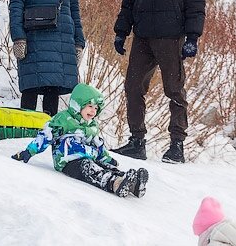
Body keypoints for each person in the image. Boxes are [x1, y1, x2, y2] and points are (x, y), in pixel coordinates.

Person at [111, 0, 205, 164]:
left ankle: (177, 145)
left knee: (174, 89)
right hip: (143, 37)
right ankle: (136, 141)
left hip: (171, 37)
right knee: (132, 87)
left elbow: (196, 2)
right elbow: (128, 1)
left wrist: (192, 37)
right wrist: (121, 32)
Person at [11, 83, 149, 199]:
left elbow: (98, 145)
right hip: (68, 161)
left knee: (103, 165)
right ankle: (116, 184)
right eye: (90, 106)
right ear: (78, 104)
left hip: (89, 156)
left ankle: (132, 183)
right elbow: (47, 135)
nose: (93, 111)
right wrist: (29, 151)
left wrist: (107, 160)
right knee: (90, 169)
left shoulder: (92, 125)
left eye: (96, 108)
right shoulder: (64, 120)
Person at [8, 0, 85, 117]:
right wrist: (18, 37)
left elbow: (74, 10)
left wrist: (79, 42)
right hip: (35, 36)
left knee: (54, 87)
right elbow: (16, 3)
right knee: (31, 85)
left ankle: (48, 129)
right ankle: (25, 128)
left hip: (62, 40)